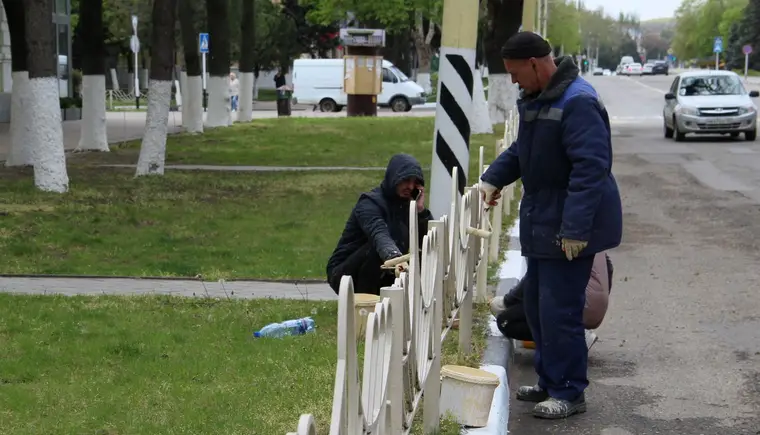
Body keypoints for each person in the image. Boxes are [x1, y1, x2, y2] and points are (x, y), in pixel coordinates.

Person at [479, 32, 622, 420]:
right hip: (544, 220)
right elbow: (522, 151)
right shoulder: (537, 98)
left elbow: (591, 169)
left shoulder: (578, 101)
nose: (511, 81)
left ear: (536, 64)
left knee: (560, 312)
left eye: (514, 73)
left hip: (569, 226)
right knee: (540, 308)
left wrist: (575, 229)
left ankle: (570, 391)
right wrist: (493, 179)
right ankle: (549, 380)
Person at [326, 154, 433, 295]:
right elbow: (379, 234)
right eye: (406, 180)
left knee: (420, 253)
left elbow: (427, 241)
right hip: (345, 273)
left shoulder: (408, 205)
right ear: (394, 178)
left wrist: (420, 211)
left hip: (386, 266)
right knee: (376, 251)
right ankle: (367, 305)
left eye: (415, 183)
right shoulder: (369, 203)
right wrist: (395, 258)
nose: (411, 186)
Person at [491, 252, 614, 350]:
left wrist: (507, 301)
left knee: (506, 320)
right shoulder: (591, 231)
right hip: (598, 307)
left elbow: (534, 277)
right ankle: (571, 333)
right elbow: (609, 266)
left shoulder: (556, 230)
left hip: (574, 306)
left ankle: (570, 337)